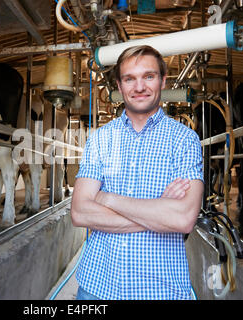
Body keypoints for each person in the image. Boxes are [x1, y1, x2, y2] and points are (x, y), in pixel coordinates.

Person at [71, 45, 204, 300]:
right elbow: (79, 212)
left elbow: (184, 219)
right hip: (97, 285)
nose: (139, 87)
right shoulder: (100, 139)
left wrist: (106, 198)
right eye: (129, 79)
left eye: (149, 76)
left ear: (163, 81)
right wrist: (160, 212)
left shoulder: (185, 140)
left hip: (160, 289)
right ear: (120, 87)